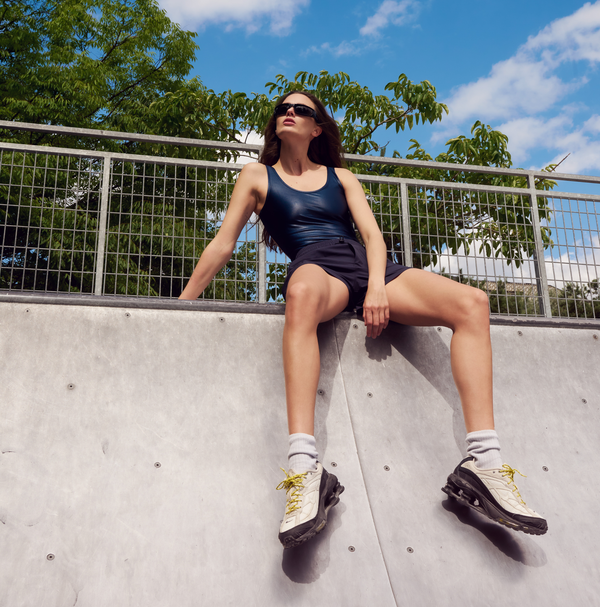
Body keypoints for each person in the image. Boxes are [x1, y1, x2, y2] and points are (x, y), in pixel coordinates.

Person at [179, 90, 548, 547]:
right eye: (282, 109)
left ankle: (485, 464)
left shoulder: (342, 177)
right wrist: (184, 304)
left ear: (318, 129)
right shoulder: (257, 176)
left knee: (473, 303)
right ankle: (303, 468)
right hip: (316, 267)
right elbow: (223, 244)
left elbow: (373, 237)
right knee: (299, 294)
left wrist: (376, 287)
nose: (288, 113)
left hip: (368, 267)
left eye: (301, 110)